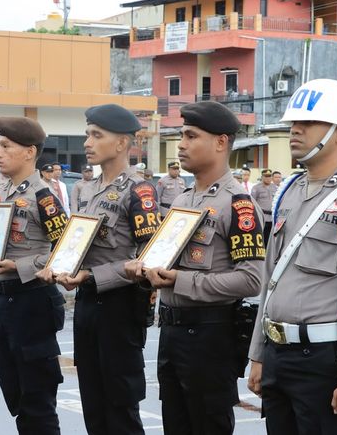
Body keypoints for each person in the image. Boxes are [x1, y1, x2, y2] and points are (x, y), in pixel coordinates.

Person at [247, 79, 337, 435]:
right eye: (292, 124)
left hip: (325, 362)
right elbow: (272, 280)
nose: (294, 130)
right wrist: (257, 354)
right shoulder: (289, 191)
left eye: (308, 123)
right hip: (278, 356)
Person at [134, 102, 264, 435]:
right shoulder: (182, 201)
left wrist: (180, 280)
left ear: (221, 143)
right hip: (173, 334)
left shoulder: (238, 203)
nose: (181, 144)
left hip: (210, 335)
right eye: (182, 136)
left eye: (191, 136)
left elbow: (251, 279)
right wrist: (145, 269)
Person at [56, 103, 160, 435]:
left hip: (119, 309)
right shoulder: (90, 190)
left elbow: (150, 259)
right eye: (87, 134)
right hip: (87, 305)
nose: (87, 142)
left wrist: (92, 276)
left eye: (96, 135)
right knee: (93, 406)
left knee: (119, 410)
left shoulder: (139, 190)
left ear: (121, 144)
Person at [0, 116, 68, 435]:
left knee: (36, 398)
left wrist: (21, 266)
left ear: (29, 152)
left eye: (5, 146)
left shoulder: (44, 196)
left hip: (34, 301)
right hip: (5, 301)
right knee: (13, 390)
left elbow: (67, 250)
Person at [251, 168, 278, 244]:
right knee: (261, 237)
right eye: (266, 176)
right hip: (262, 216)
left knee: (271, 238)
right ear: (262, 177)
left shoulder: (275, 187)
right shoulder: (256, 188)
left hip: (272, 217)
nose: (268, 178)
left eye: (269, 176)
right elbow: (252, 202)